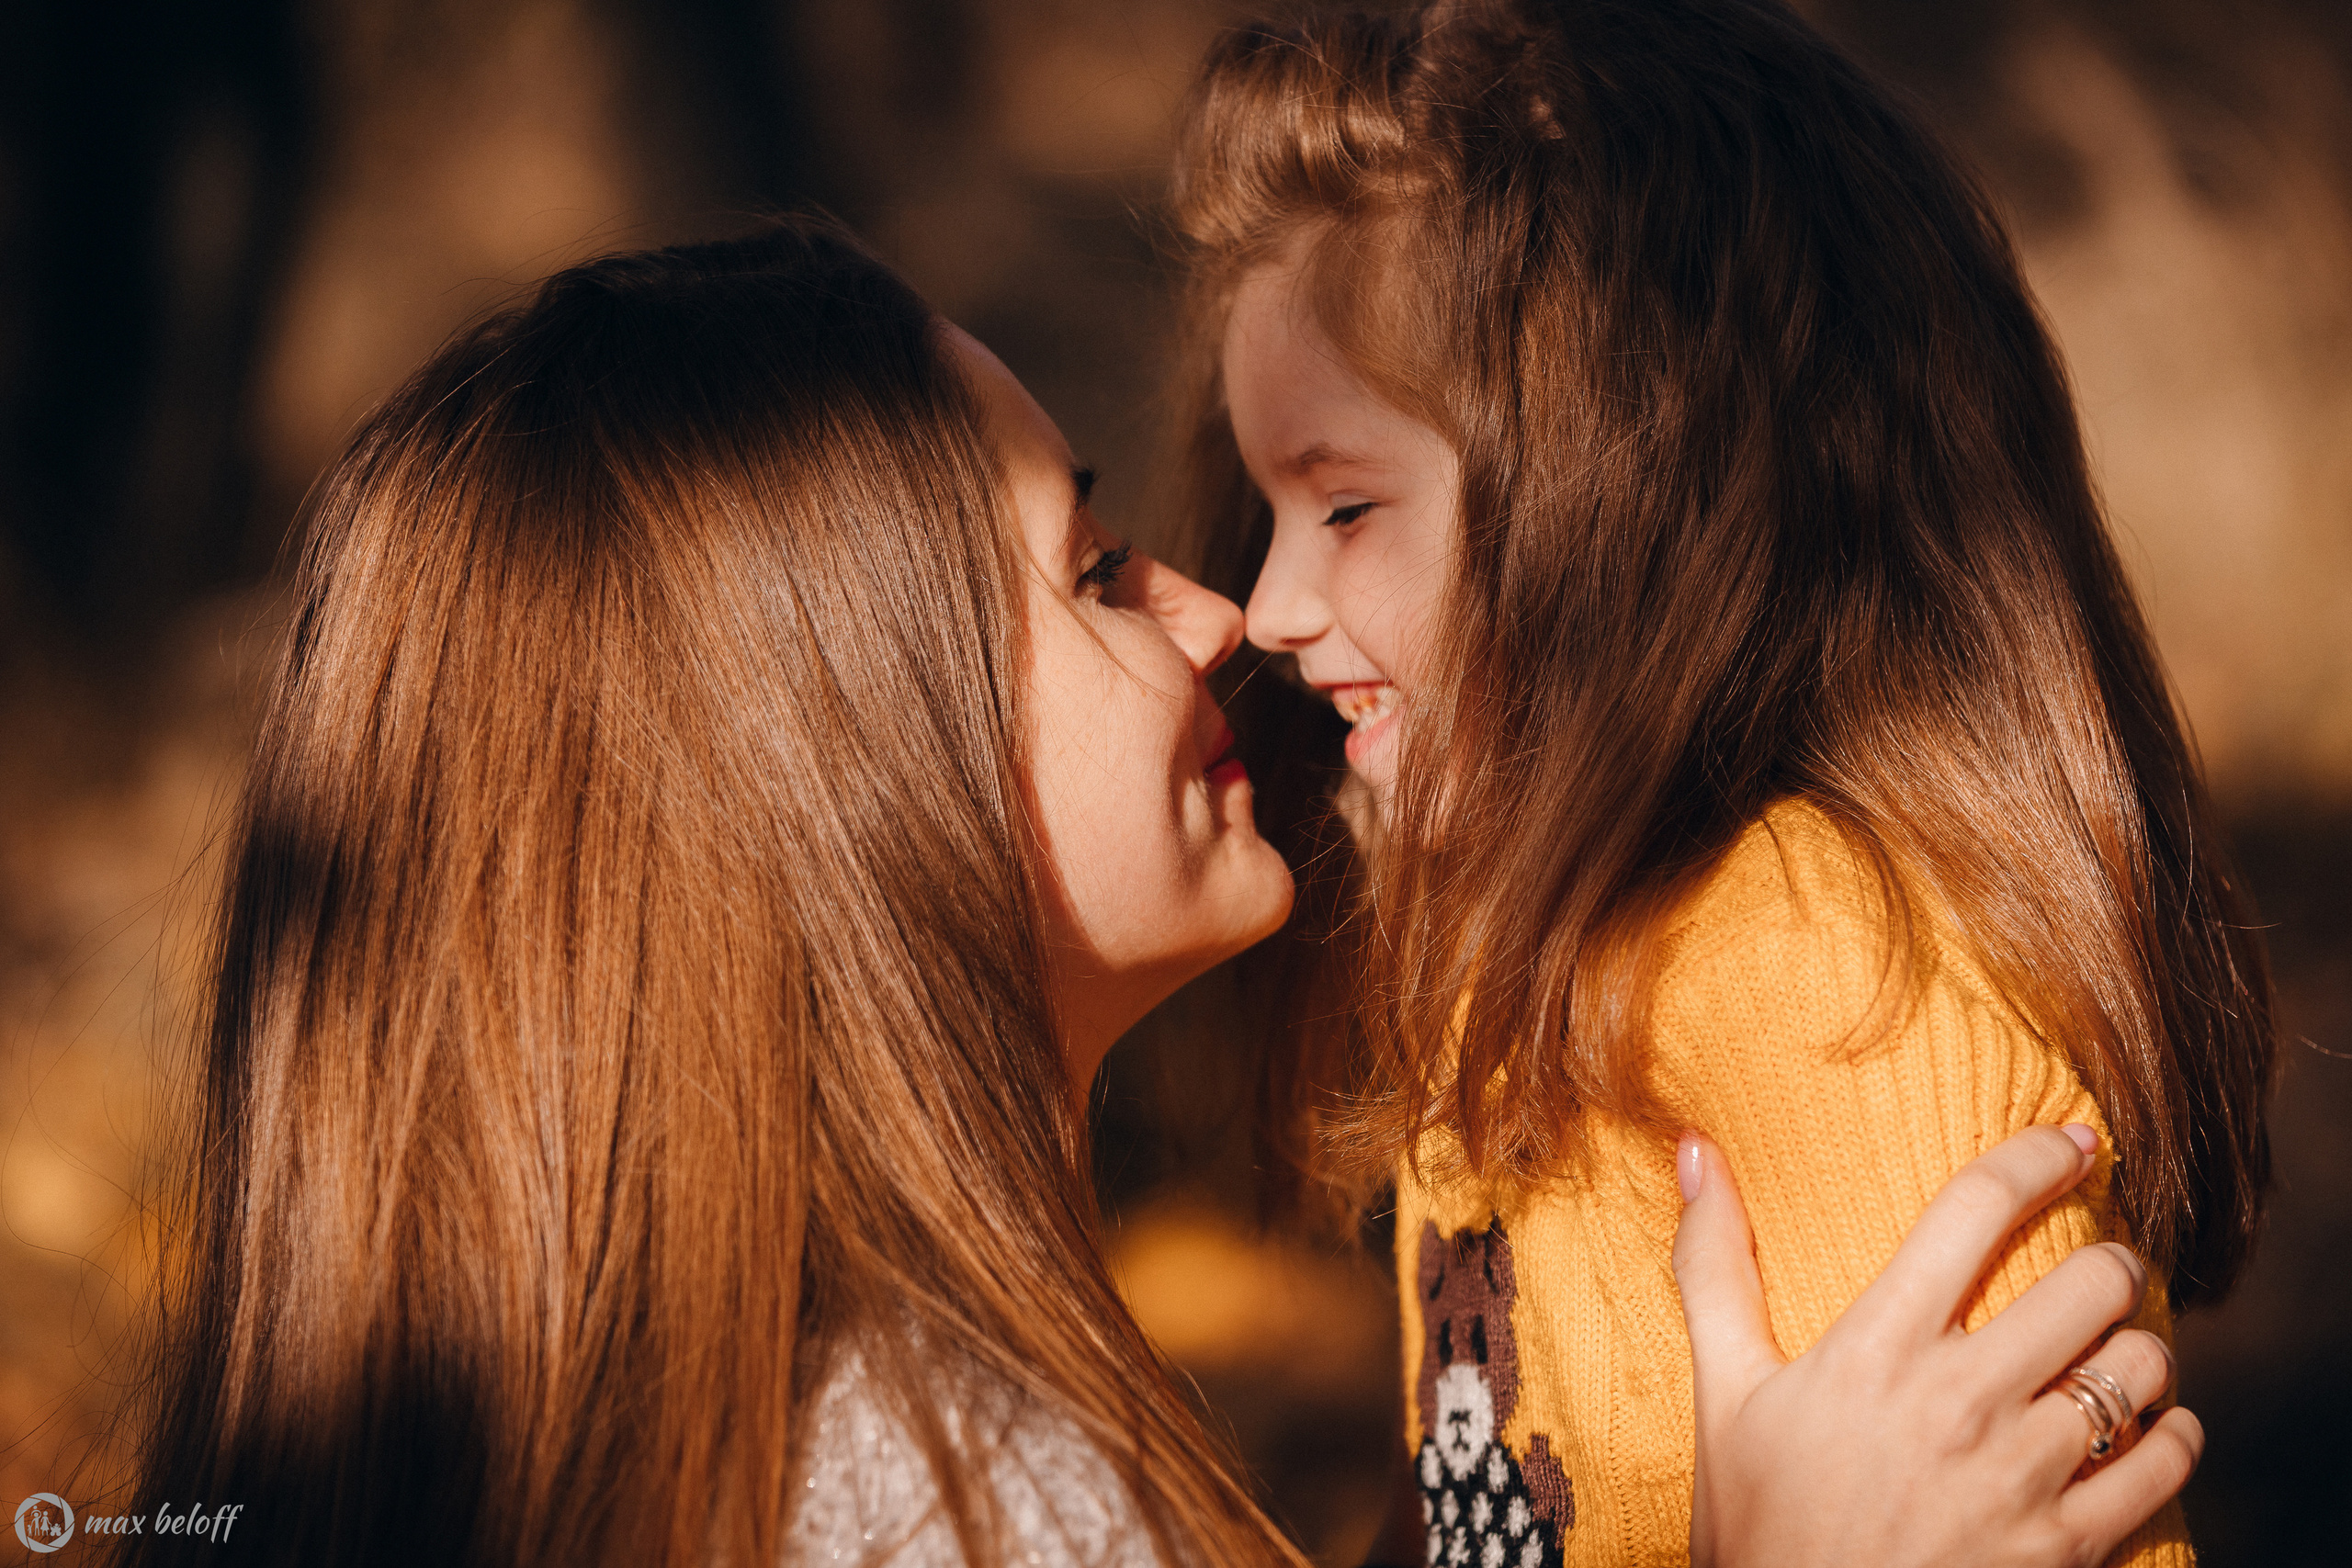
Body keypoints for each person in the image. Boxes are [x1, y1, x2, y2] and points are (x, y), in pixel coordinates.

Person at [110, 220, 2199, 1568]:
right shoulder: (947, 1503)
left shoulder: (725, 1439)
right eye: (1088, 571)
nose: (1223, 615)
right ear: (840, 764)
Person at [1171, 3, 2274, 1566]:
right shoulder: (1522, 927)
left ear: (1638, 492)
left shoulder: (1830, 981)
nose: (1270, 609)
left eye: (1345, 506)